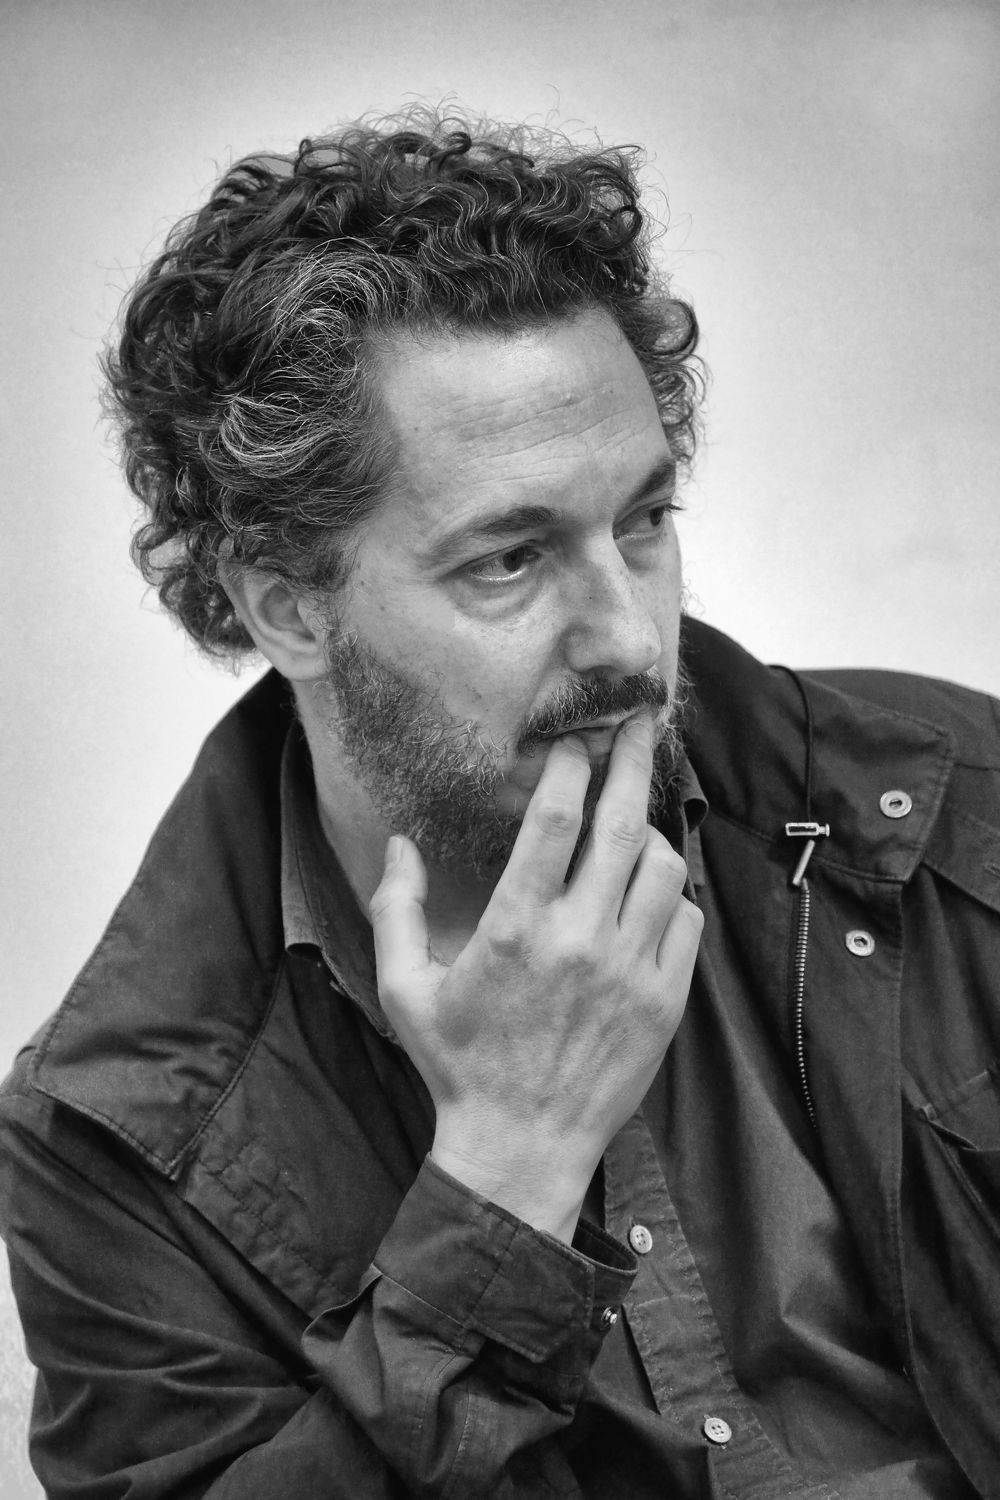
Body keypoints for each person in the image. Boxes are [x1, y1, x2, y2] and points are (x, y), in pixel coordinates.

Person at [1, 109, 998, 1500]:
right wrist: (502, 1183)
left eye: (642, 521)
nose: (629, 639)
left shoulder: (957, 806)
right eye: (509, 561)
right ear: (288, 606)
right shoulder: (115, 1138)